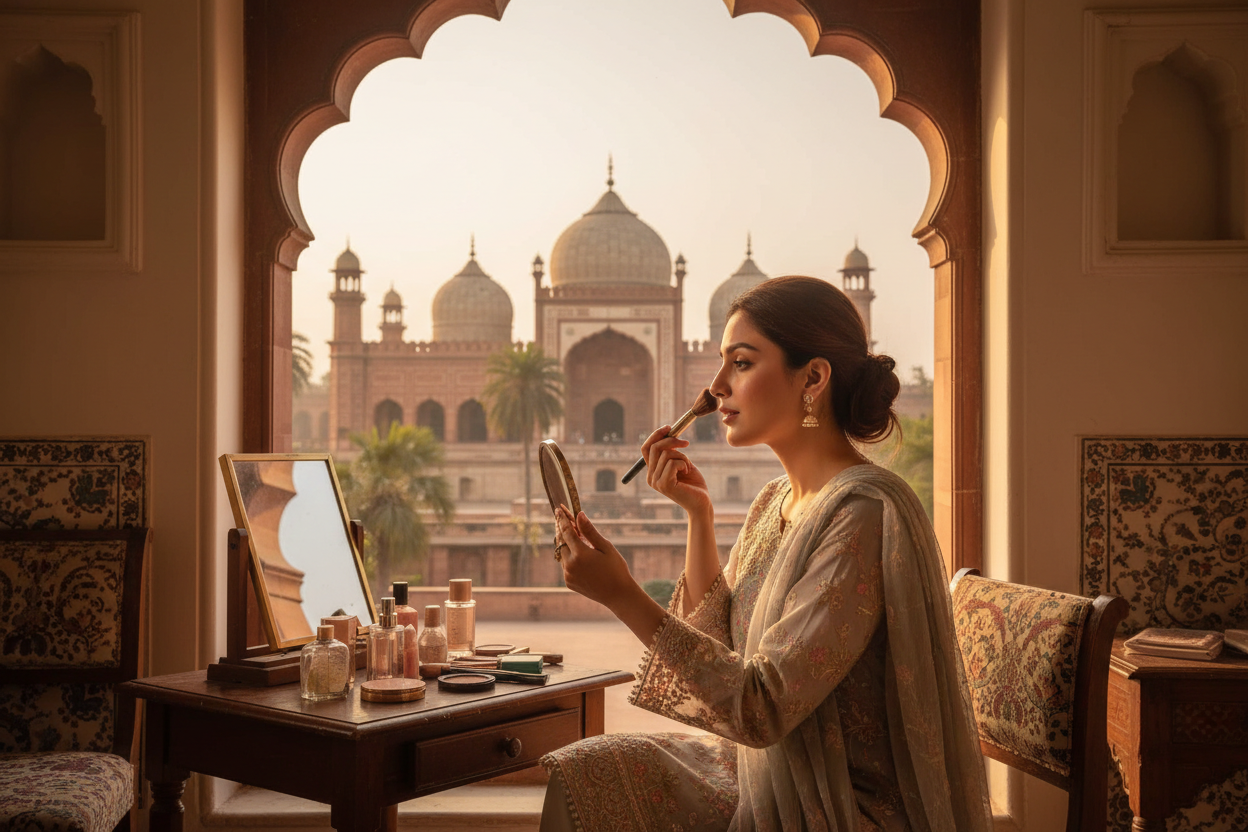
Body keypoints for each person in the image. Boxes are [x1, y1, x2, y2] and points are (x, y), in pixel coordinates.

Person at [540, 276, 993, 832]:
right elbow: (719, 649)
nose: (715, 388)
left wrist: (621, 595)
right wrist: (698, 517)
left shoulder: (861, 516)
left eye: (742, 363)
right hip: (771, 773)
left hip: (843, 804)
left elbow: (757, 707)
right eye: (721, 362)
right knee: (580, 769)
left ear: (813, 378)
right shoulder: (774, 502)